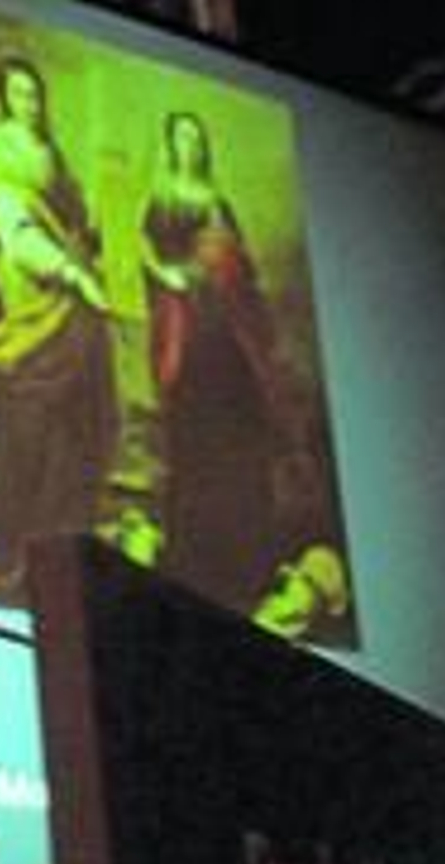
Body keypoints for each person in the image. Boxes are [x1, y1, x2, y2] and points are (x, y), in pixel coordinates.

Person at [0, 54, 119, 605]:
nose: (30, 105)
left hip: (68, 322)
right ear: (3, 99)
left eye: (35, 95)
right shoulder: (2, 165)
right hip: (28, 313)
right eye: (19, 95)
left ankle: (56, 550)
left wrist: (87, 242)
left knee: (72, 435)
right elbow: (21, 239)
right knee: (23, 440)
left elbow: (72, 224)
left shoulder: (51, 158)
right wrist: (74, 275)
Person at [140, 110, 307, 610]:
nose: (189, 146)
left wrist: (226, 266)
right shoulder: (163, 198)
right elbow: (147, 253)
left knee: (243, 433)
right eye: (181, 138)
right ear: (171, 145)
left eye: (196, 137)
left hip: (229, 331)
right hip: (189, 332)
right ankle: (196, 558)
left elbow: (245, 267)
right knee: (195, 442)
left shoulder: (219, 201)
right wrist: (173, 276)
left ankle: (248, 554)